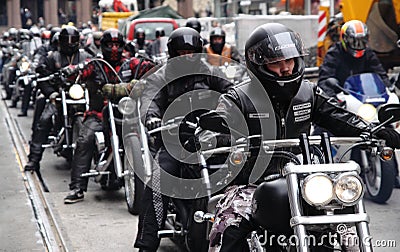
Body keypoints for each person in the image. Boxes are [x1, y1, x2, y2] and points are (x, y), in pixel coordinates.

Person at [197, 23, 400, 251]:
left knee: (347, 219)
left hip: (306, 181)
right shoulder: (239, 98)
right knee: (228, 225)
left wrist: (373, 130)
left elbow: (337, 116)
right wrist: (214, 137)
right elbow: (212, 130)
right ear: (258, 64)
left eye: (290, 60)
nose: (285, 68)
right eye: (276, 62)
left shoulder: (307, 93)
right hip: (250, 183)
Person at [133, 27, 233, 252]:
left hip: (211, 137)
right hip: (175, 140)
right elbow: (151, 100)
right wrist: (152, 118)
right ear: (172, 52)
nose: (186, 56)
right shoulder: (162, 75)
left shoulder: (211, 72)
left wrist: (238, 108)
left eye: (190, 51)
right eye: (180, 52)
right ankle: (146, 244)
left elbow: (232, 92)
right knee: (159, 180)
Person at [64, 28, 155, 203]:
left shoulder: (130, 63)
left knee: (153, 136)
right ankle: (77, 187)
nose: (114, 48)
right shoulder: (95, 64)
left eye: (117, 45)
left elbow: (148, 66)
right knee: (85, 139)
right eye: (110, 45)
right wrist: (71, 71)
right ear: (103, 46)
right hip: (99, 113)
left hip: (128, 112)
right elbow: (79, 72)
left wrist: (160, 64)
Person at [24, 26, 92, 172]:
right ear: (60, 41)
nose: (70, 42)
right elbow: (42, 78)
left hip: (80, 94)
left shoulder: (85, 56)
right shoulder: (51, 57)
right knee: (44, 120)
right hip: (59, 95)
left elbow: (96, 69)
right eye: (66, 40)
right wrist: (51, 93)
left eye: (73, 39)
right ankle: (34, 159)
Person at [318, 20, 392, 97]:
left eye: (362, 41)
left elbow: (380, 74)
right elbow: (324, 80)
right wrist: (332, 98)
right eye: (353, 41)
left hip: (365, 97)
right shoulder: (333, 54)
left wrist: (388, 88)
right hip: (341, 97)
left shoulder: (368, 53)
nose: (358, 45)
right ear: (344, 39)